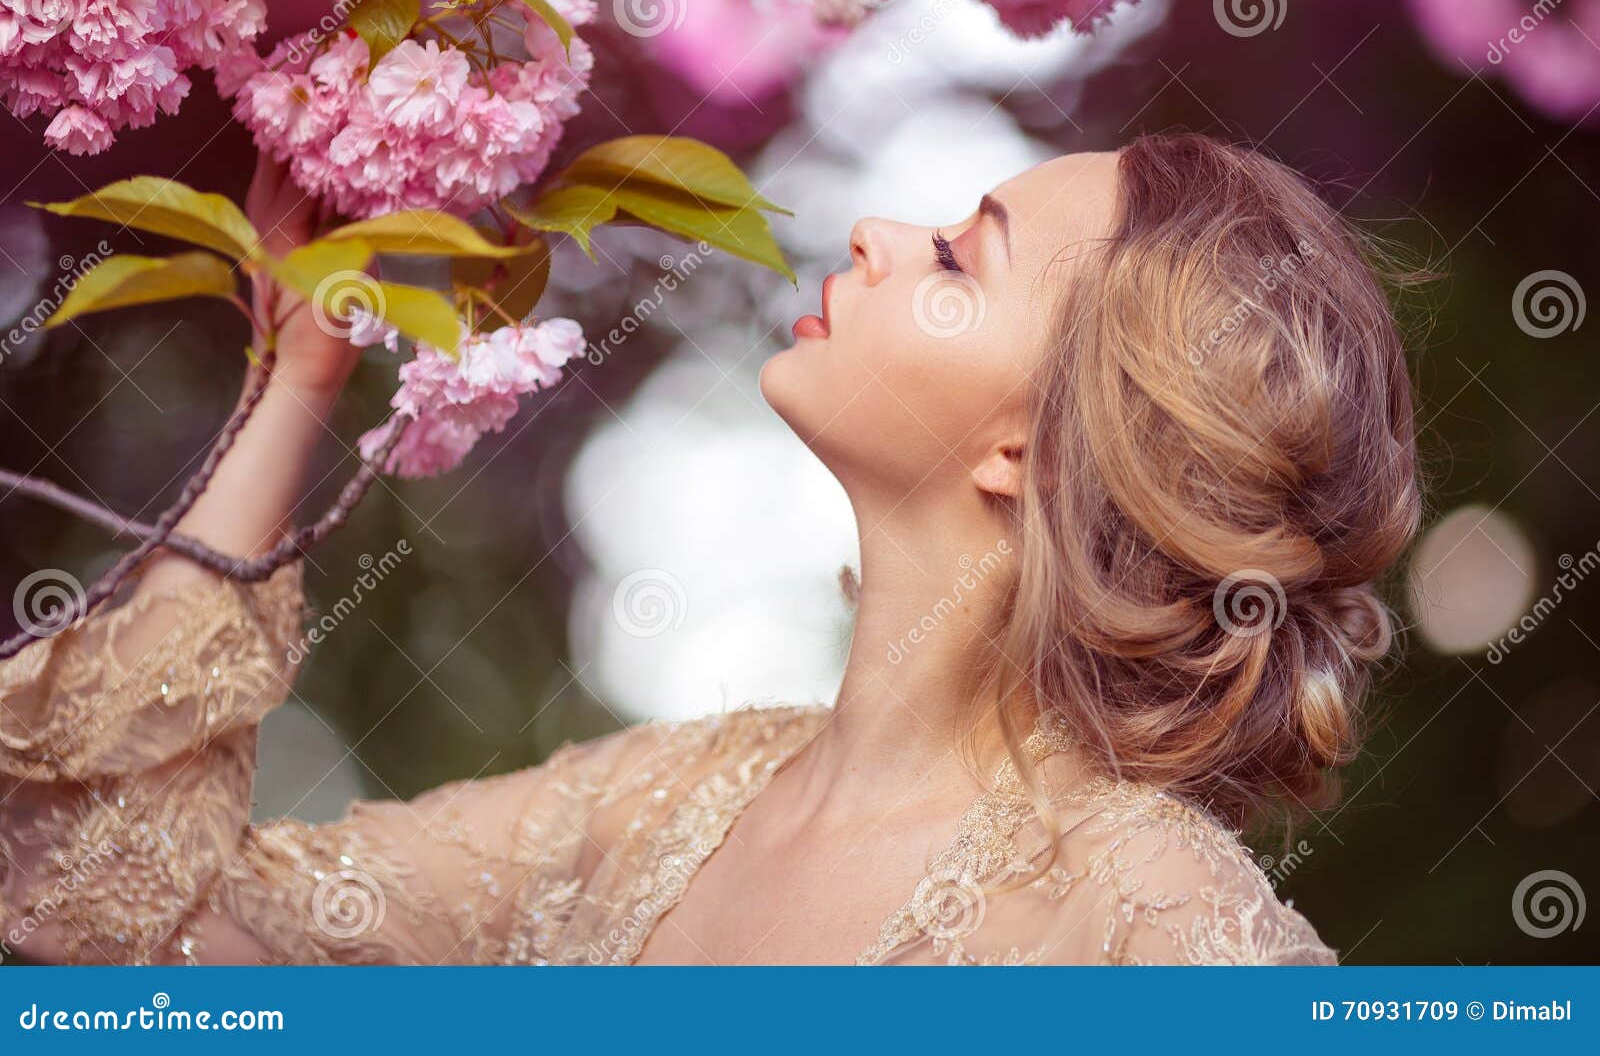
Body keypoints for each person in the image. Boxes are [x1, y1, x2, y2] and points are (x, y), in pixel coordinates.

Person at [0, 134, 1420, 965]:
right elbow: (125, 917)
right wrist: (293, 370)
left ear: (1033, 447)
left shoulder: (1157, 927)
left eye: (954, 257)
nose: (871, 230)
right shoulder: (656, 801)